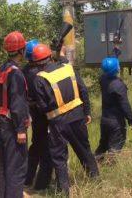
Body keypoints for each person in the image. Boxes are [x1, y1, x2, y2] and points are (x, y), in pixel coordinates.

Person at [32, 44, 99, 196]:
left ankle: (64, 192)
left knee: (59, 158)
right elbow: (83, 90)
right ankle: (96, 181)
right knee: (84, 150)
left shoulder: (39, 80)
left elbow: (42, 107)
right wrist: (86, 112)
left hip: (57, 123)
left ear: (36, 63)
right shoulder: (68, 68)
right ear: (50, 57)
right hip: (77, 117)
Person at [0, 31, 30, 198]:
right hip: (12, 124)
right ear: (22, 50)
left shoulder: (2, 68)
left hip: (2, 120)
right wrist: (21, 129)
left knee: (4, 162)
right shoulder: (15, 73)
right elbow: (17, 104)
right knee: (17, 165)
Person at [22, 39, 53, 190]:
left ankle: (27, 178)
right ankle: (42, 184)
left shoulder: (23, 71)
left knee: (36, 145)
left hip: (33, 112)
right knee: (47, 146)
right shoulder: (40, 73)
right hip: (44, 112)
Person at [94, 57, 132, 162]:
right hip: (116, 122)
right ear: (116, 69)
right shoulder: (118, 86)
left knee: (103, 145)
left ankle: (95, 162)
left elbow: (106, 71)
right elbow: (125, 105)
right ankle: (110, 168)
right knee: (115, 147)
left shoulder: (102, 80)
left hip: (105, 120)